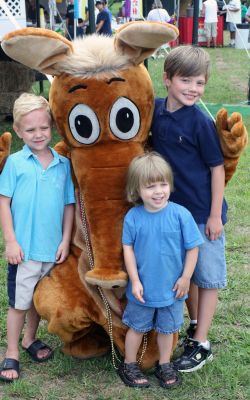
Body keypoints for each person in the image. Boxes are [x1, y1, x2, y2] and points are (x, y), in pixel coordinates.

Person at [151, 46, 227, 373]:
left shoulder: (200, 122)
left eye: (200, 83)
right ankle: (193, 325)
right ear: (166, 79)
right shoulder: (154, 111)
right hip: (171, 214)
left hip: (200, 214)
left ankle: (202, 343)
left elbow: (217, 169)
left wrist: (213, 215)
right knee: (188, 274)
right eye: (186, 80)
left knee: (207, 277)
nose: (193, 89)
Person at [0, 93, 75, 383]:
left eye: (43, 127)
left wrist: (65, 240)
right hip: (24, 251)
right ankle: (12, 351)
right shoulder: (15, 163)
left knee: (38, 301)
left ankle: (30, 340)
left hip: (51, 250)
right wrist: (11, 242)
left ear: (51, 126)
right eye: (30, 130)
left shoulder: (63, 165)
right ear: (17, 130)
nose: (38, 134)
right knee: (19, 303)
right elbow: (3, 202)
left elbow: (69, 205)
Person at [118, 152, 204, 389]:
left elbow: (193, 248)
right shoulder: (133, 217)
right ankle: (129, 364)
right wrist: (134, 281)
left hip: (172, 288)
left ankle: (164, 363)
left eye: (163, 184)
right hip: (143, 288)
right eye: (150, 186)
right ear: (136, 189)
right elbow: (128, 250)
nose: (158, 191)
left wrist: (186, 277)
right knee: (136, 328)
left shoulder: (180, 215)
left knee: (167, 329)